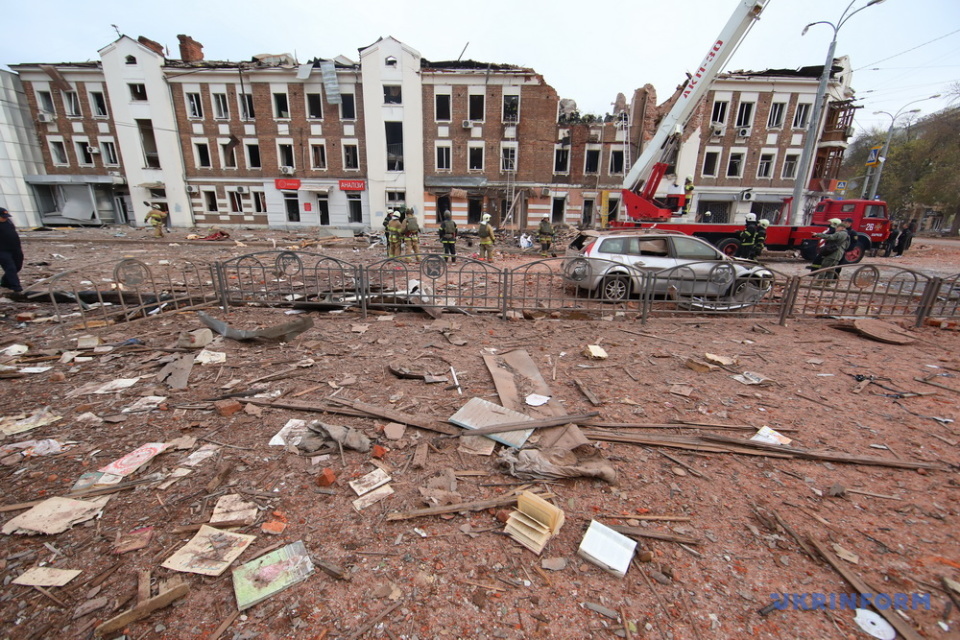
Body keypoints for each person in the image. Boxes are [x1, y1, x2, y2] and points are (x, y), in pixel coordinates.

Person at [0, 207, 24, 294]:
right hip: (2, 250)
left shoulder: (8, 221)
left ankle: (5, 281)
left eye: (6, 216)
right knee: (10, 268)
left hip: (15, 249)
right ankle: (17, 288)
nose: (5, 218)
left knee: (18, 266)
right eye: (3, 217)